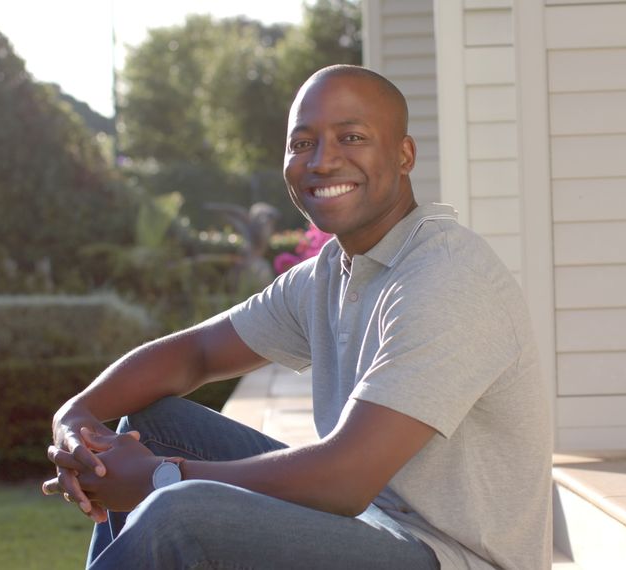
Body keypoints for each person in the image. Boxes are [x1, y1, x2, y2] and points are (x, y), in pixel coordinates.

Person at [43, 64, 552, 570]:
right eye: (302, 143)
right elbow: (196, 354)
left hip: (451, 556)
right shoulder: (333, 272)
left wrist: (160, 478)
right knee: (153, 425)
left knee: (182, 511)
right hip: (377, 524)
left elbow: (344, 479)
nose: (323, 161)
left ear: (404, 155)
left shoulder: (446, 277)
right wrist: (75, 417)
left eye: (351, 137)